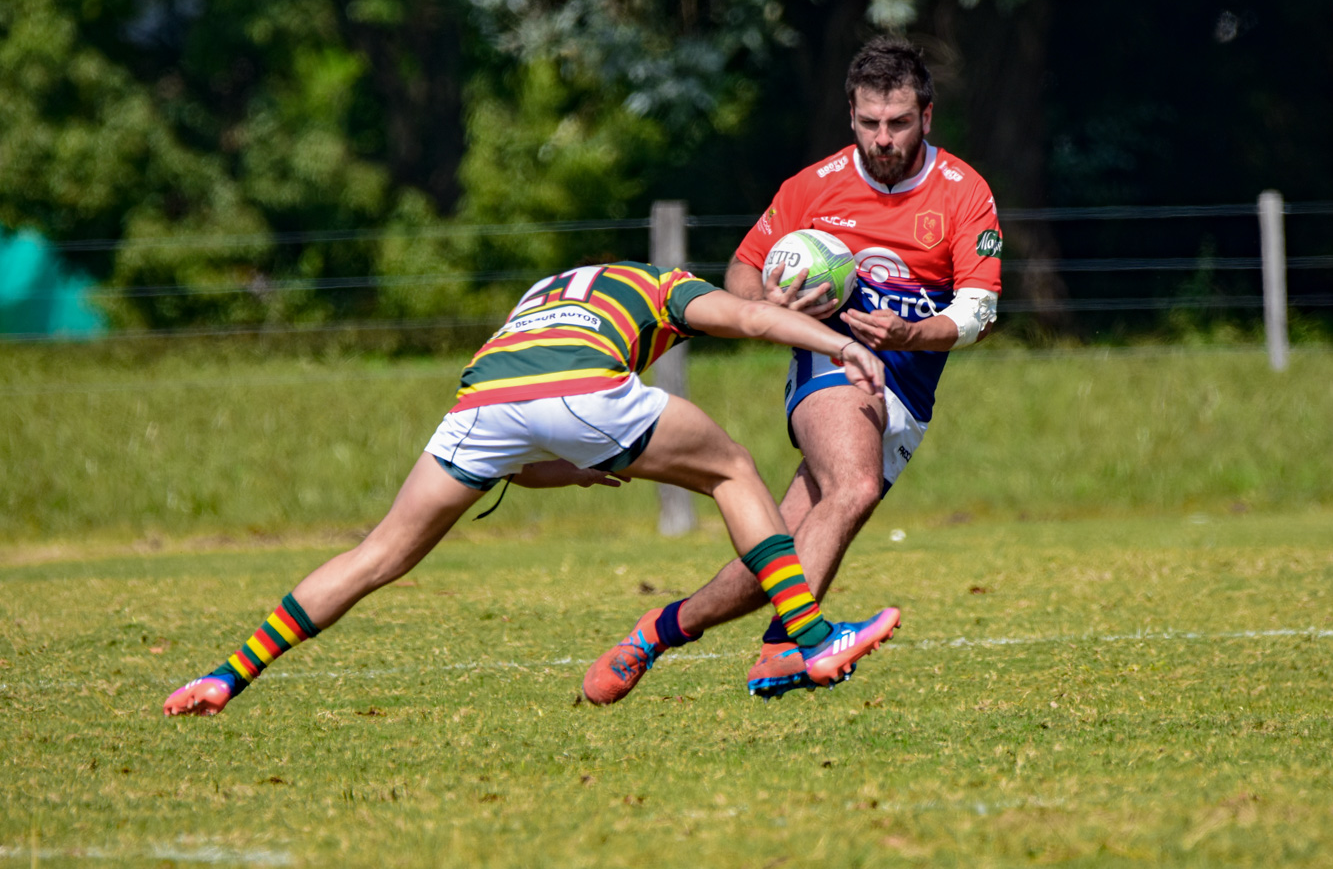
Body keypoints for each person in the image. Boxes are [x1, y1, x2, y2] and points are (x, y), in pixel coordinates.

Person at [162, 261, 901, 716]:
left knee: (376, 553)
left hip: (480, 401)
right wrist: (839, 342)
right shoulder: (662, 286)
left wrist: (586, 465)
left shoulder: (538, 296)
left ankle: (227, 676)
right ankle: (810, 639)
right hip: (586, 387)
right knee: (733, 468)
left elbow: (522, 456)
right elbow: (743, 317)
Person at [588, 35, 1002, 702]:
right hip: (830, 359)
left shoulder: (963, 192)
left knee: (773, 561)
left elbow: (979, 311)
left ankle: (657, 631)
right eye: (869, 123)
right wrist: (765, 305)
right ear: (851, 117)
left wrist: (911, 333)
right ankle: (790, 648)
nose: (883, 138)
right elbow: (742, 273)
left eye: (898, 123)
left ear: (927, 116)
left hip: (909, 387)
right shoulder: (813, 187)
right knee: (856, 485)